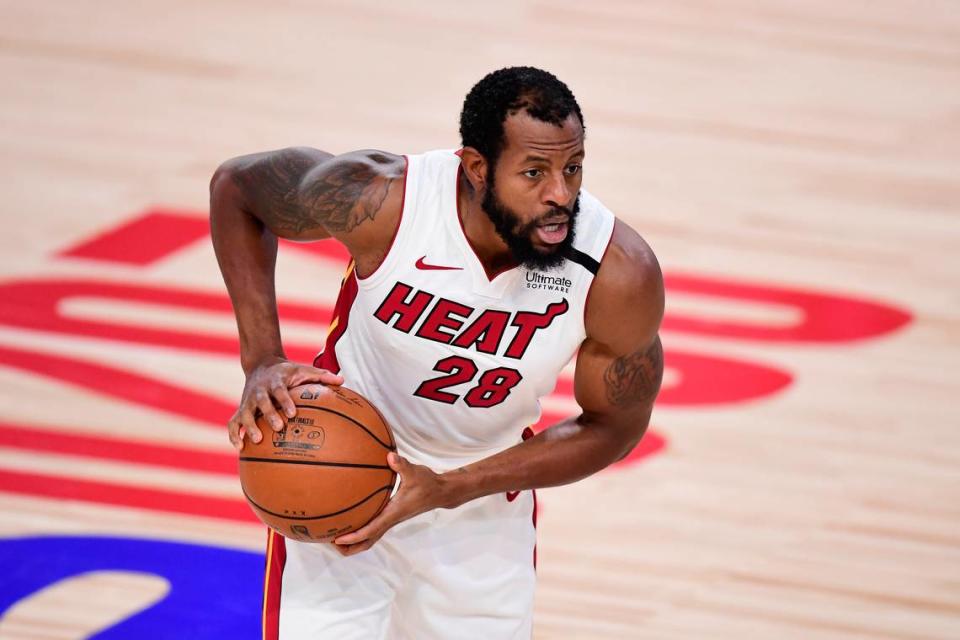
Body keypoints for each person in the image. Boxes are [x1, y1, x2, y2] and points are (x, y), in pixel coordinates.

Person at [209, 66, 664, 640]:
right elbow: (237, 190)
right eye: (534, 172)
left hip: (480, 514)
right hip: (336, 482)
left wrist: (451, 488)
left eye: (572, 168)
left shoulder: (616, 272)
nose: (560, 194)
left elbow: (614, 426)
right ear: (476, 168)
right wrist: (262, 359)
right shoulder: (382, 202)